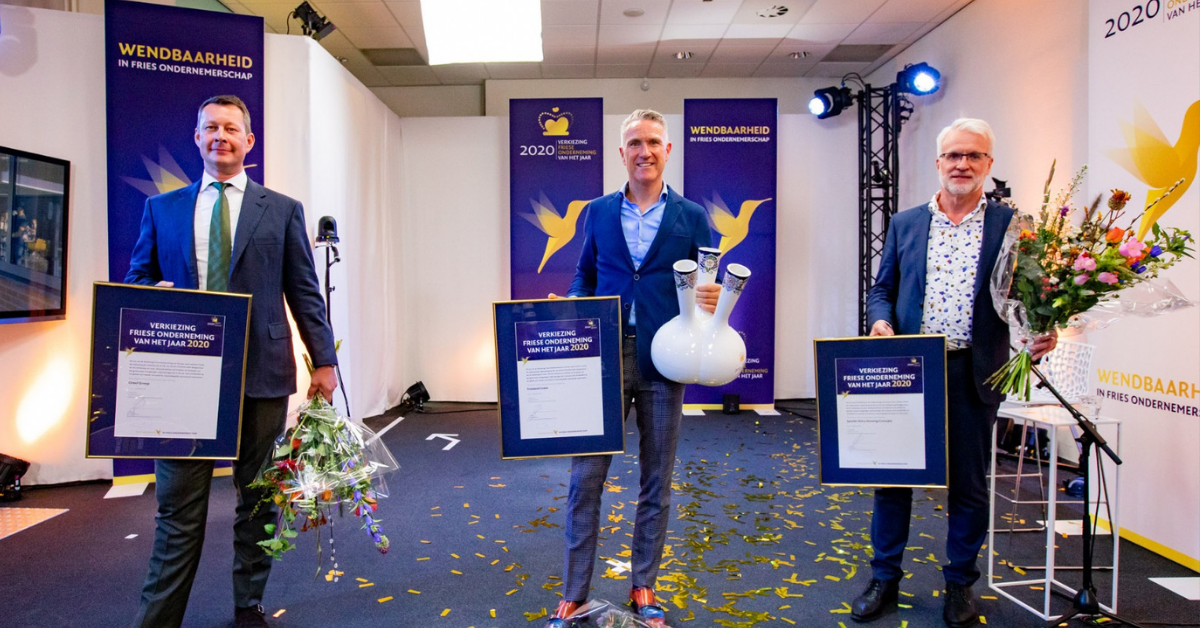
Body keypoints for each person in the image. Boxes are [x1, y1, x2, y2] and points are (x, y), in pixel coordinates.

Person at [125, 95, 338, 628]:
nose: (220, 135)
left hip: (261, 374)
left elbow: (304, 292)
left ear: (248, 140)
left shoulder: (282, 209)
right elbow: (136, 283)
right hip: (184, 382)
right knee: (178, 509)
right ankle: (158, 619)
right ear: (197, 137)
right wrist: (154, 293)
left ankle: (248, 606)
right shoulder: (162, 209)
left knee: (259, 499)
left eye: (231, 128)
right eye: (211, 127)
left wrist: (324, 360)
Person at [853, 118, 1057, 628]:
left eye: (973, 156)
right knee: (893, 481)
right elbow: (882, 289)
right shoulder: (905, 223)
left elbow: (1032, 297)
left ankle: (960, 583)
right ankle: (884, 579)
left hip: (974, 371)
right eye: (953, 155)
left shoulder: (1013, 226)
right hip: (909, 371)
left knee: (968, 487)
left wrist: (1043, 329)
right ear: (938, 162)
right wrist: (880, 320)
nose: (962, 164)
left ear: (989, 164)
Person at [543, 109, 720, 628]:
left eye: (654, 142)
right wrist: (573, 305)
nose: (645, 151)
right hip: (604, 358)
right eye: (635, 143)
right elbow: (584, 274)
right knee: (585, 478)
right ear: (622, 153)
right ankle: (574, 592)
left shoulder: (692, 216)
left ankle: (644, 585)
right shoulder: (598, 212)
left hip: (666, 358)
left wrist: (712, 297)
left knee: (656, 479)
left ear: (668, 151)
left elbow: (709, 283)